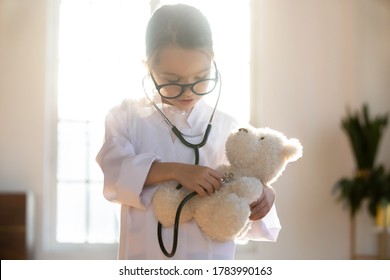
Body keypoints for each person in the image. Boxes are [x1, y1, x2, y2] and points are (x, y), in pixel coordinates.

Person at [96, 3, 280, 260]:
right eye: (172, 80)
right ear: (148, 67)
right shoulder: (126, 117)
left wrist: (263, 194)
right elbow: (115, 174)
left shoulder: (227, 127)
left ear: (213, 62)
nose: (188, 91)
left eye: (200, 77)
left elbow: (241, 201)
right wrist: (176, 170)